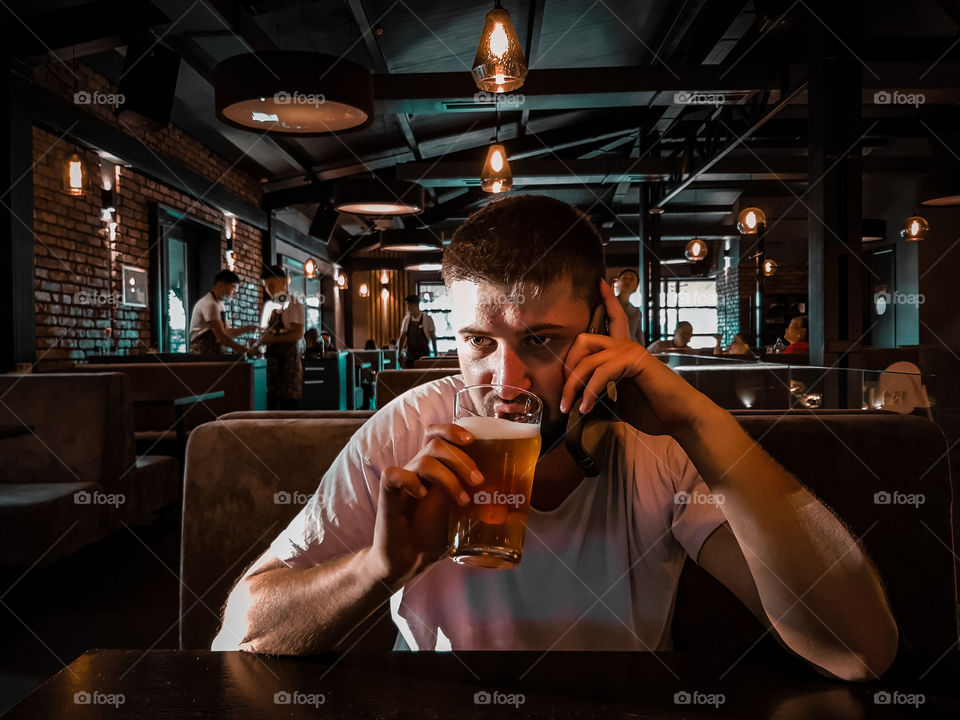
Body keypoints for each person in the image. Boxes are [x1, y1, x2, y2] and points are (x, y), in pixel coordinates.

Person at [214, 195, 897, 681]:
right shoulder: (408, 429)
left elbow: (857, 651)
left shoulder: (657, 442)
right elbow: (240, 633)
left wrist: (696, 421)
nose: (505, 380)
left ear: (604, 323)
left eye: (541, 341)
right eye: (479, 342)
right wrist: (379, 569)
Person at [256, 265, 305, 410]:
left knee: (289, 407)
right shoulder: (268, 306)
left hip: (288, 363)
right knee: (270, 406)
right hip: (271, 365)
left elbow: (297, 333)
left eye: (271, 285)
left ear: (283, 282)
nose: (269, 289)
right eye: (266, 286)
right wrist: (258, 343)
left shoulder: (294, 303)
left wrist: (271, 340)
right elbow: (264, 333)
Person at [188, 269, 257, 355]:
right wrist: (245, 350)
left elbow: (227, 332)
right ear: (221, 285)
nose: (234, 294)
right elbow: (221, 337)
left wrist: (249, 328)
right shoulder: (210, 304)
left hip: (212, 352)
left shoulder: (220, 305)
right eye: (233, 289)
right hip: (201, 353)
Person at [397, 294, 437, 368]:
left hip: (423, 356)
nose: (407, 308)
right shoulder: (407, 319)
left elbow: (433, 337)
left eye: (408, 305)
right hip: (410, 356)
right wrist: (399, 353)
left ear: (414, 305)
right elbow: (402, 338)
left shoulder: (427, 318)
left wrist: (436, 354)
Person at [615, 268, 644, 344]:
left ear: (636, 286)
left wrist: (643, 352)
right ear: (618, 283)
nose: (627, 281)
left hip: (632, 349)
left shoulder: (637, 311)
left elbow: (639, 334)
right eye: (624, 278)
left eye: (631, 279)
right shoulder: (608, 304)